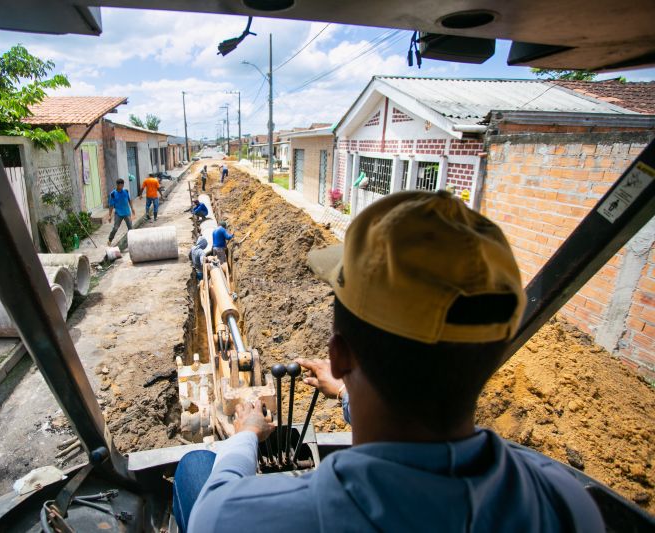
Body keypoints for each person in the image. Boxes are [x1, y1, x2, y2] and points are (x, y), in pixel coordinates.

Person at [173, 190, 603, 533]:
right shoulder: (565, 500)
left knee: (196, 466)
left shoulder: (238, 519)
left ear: (337, 356)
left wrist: (246, 435)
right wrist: (346, 392)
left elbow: (214, 504)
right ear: (491, 361)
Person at [106, 178, 135, 246]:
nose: (122, 187)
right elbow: (111, 205)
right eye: (120, 185)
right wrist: (110, 215)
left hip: (127, 212)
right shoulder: (113, 194)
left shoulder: (126, 191)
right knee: (115, 228)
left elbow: (129, 200)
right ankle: (110, 239)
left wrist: (132, 208)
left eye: (123, 185)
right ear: (117, 185)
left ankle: (132, 241)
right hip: (118, 213)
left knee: (130, 227)